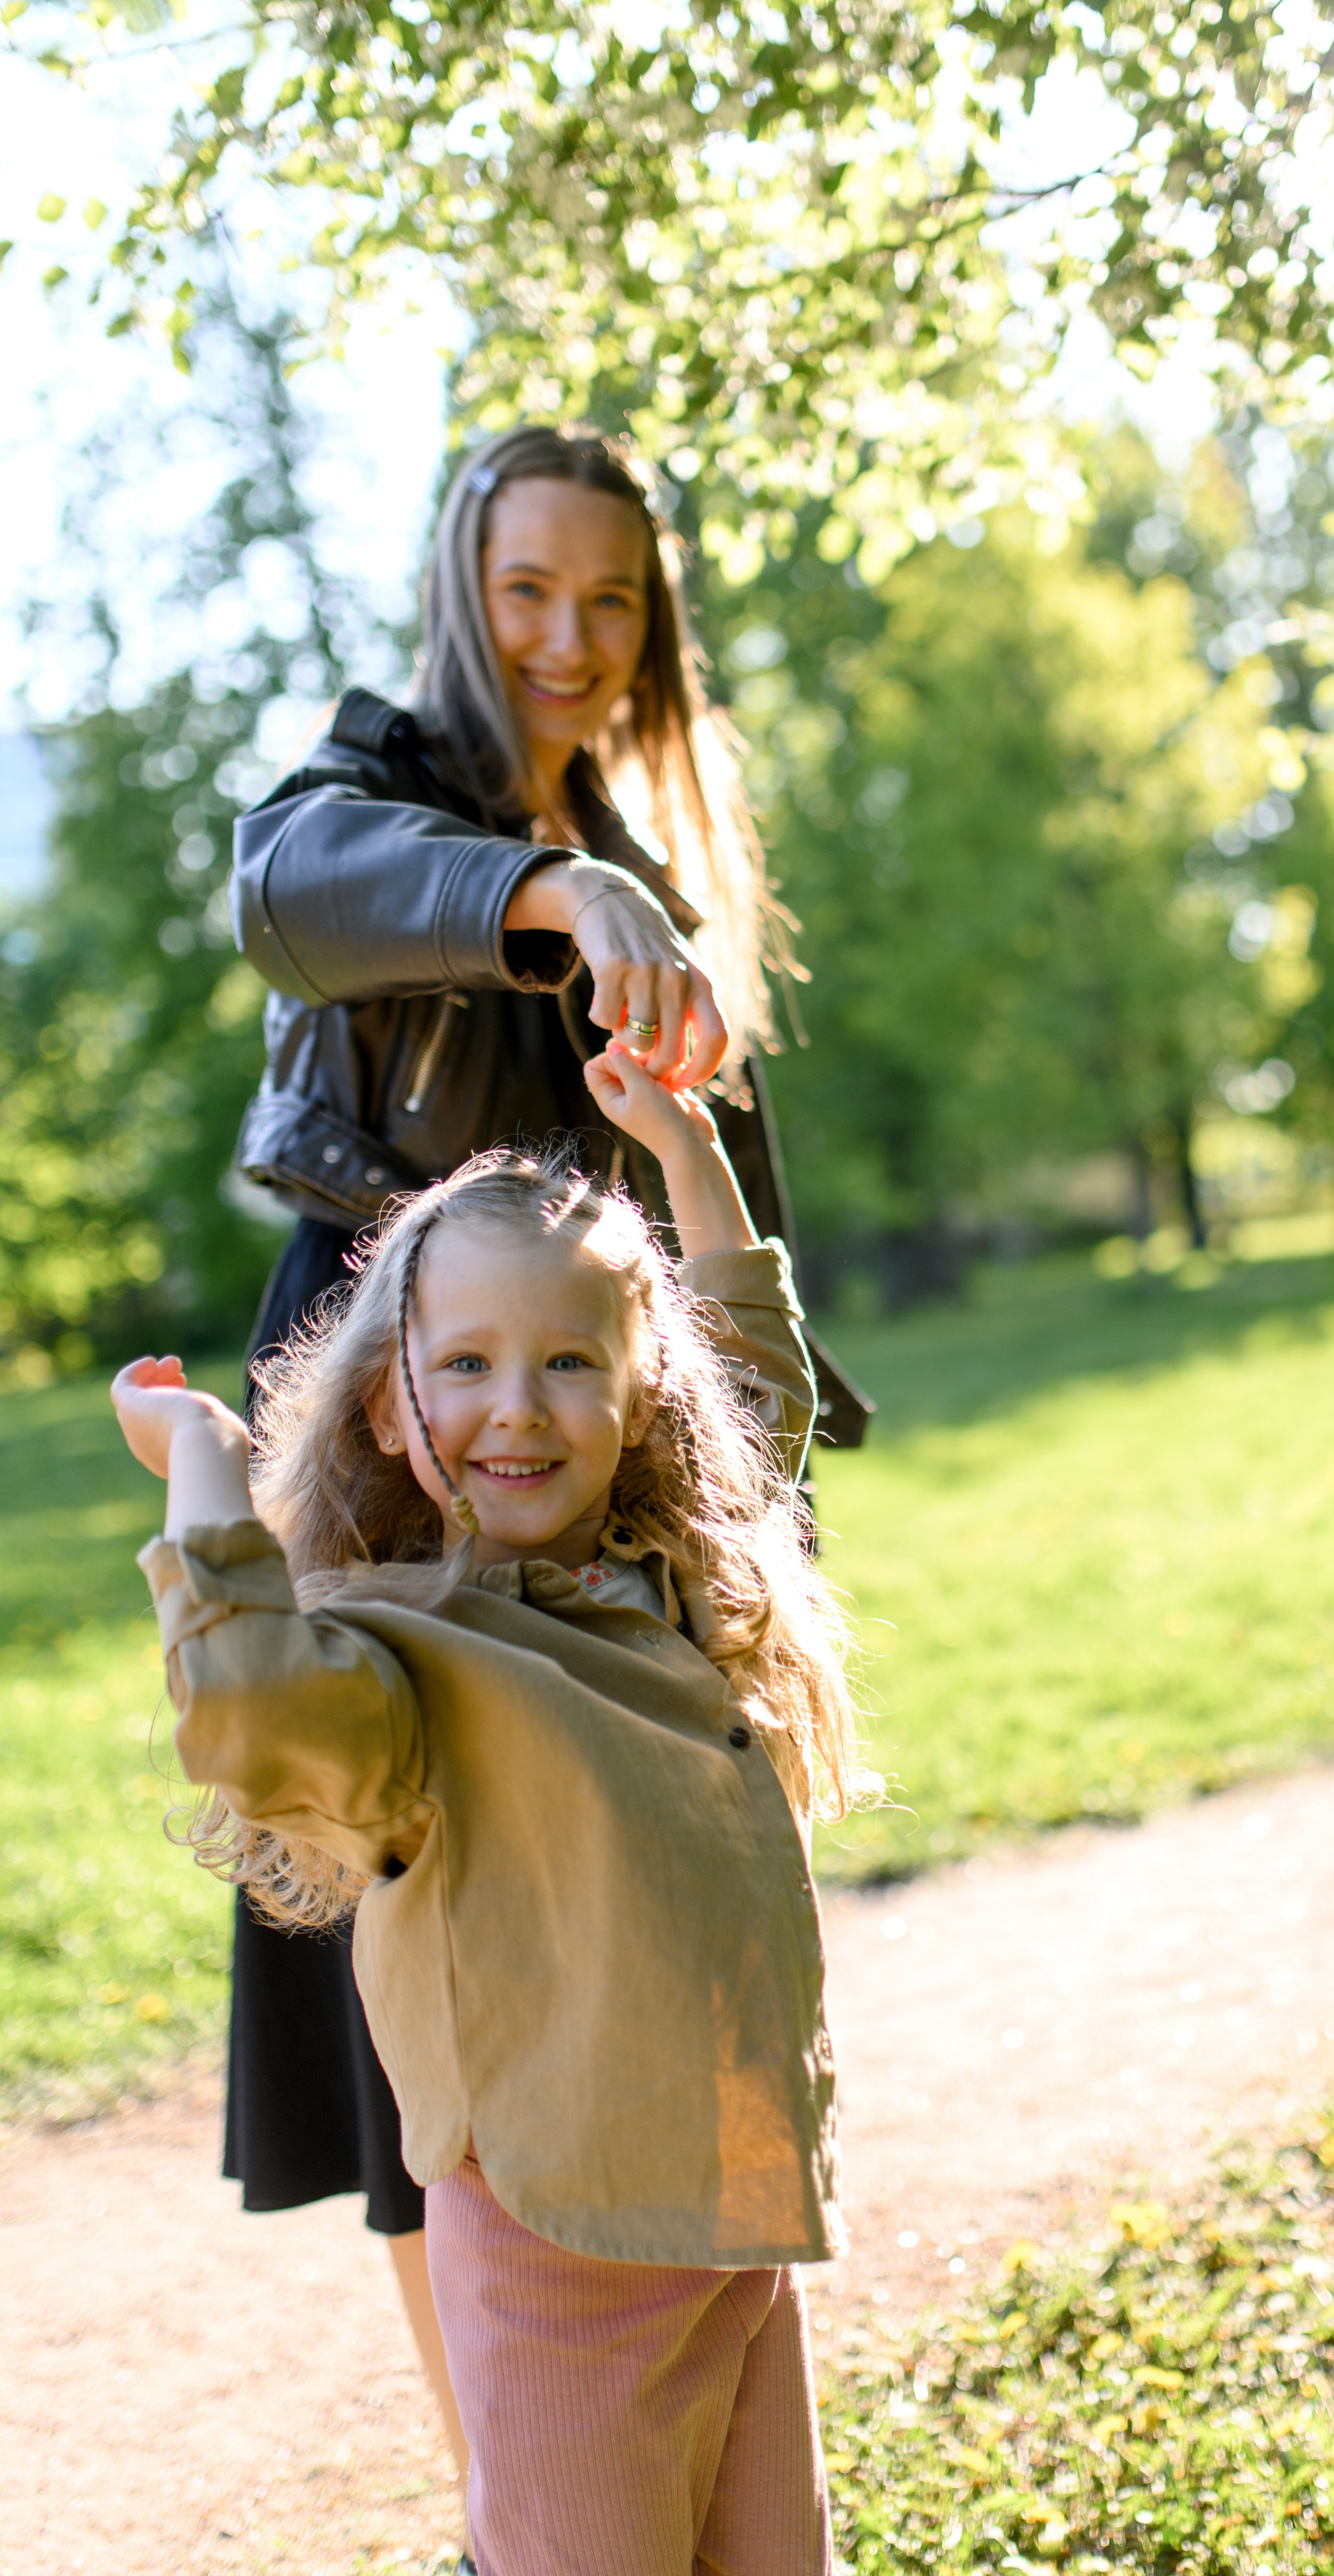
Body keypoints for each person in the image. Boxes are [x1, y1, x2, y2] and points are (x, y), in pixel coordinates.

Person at [222, 422, 869, 2505]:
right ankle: (519, 2504)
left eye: (613, 601)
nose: (572, 638)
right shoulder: (374, 796)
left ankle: (620, 2464)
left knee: (599, 1963)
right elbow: (286, 895)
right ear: (462, 591)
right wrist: (544, 892)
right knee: (427, 1998)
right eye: (531, 591)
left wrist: (766, 1531)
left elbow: (718, 1229)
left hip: (599, 1464)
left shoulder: (656, 897)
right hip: (402, 1441)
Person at [113, 1042, 856, 2576]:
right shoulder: (396, 1655)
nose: (518, 1407)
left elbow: (753, 1375)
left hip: (730, 2211)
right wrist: (210, 1466)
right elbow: (248, 1710)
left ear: (640, 1396)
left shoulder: (657, 1590)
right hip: (555, 2245)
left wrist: (686, 1151)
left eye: (570, 1361)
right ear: (390, 1405)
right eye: (464, 1364)